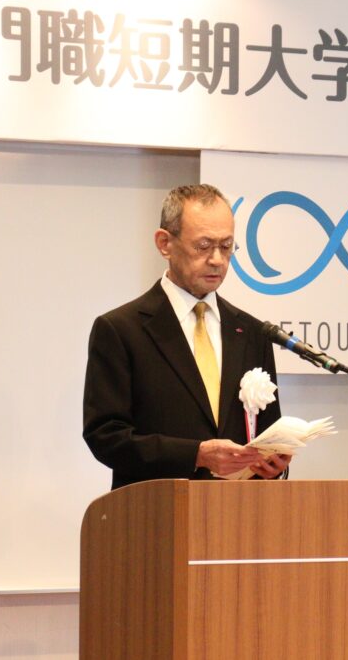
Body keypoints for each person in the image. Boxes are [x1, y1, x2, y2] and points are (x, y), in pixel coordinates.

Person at [83, 184, 290, 490]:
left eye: (226, 246)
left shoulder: (252, 332)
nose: (217, 259)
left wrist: (275, 467)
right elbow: (106, 437)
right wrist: (196, 455)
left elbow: (267, 432)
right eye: (203, 246)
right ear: (165, 243)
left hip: (240, 511)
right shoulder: (121, 330)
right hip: (157, 508)